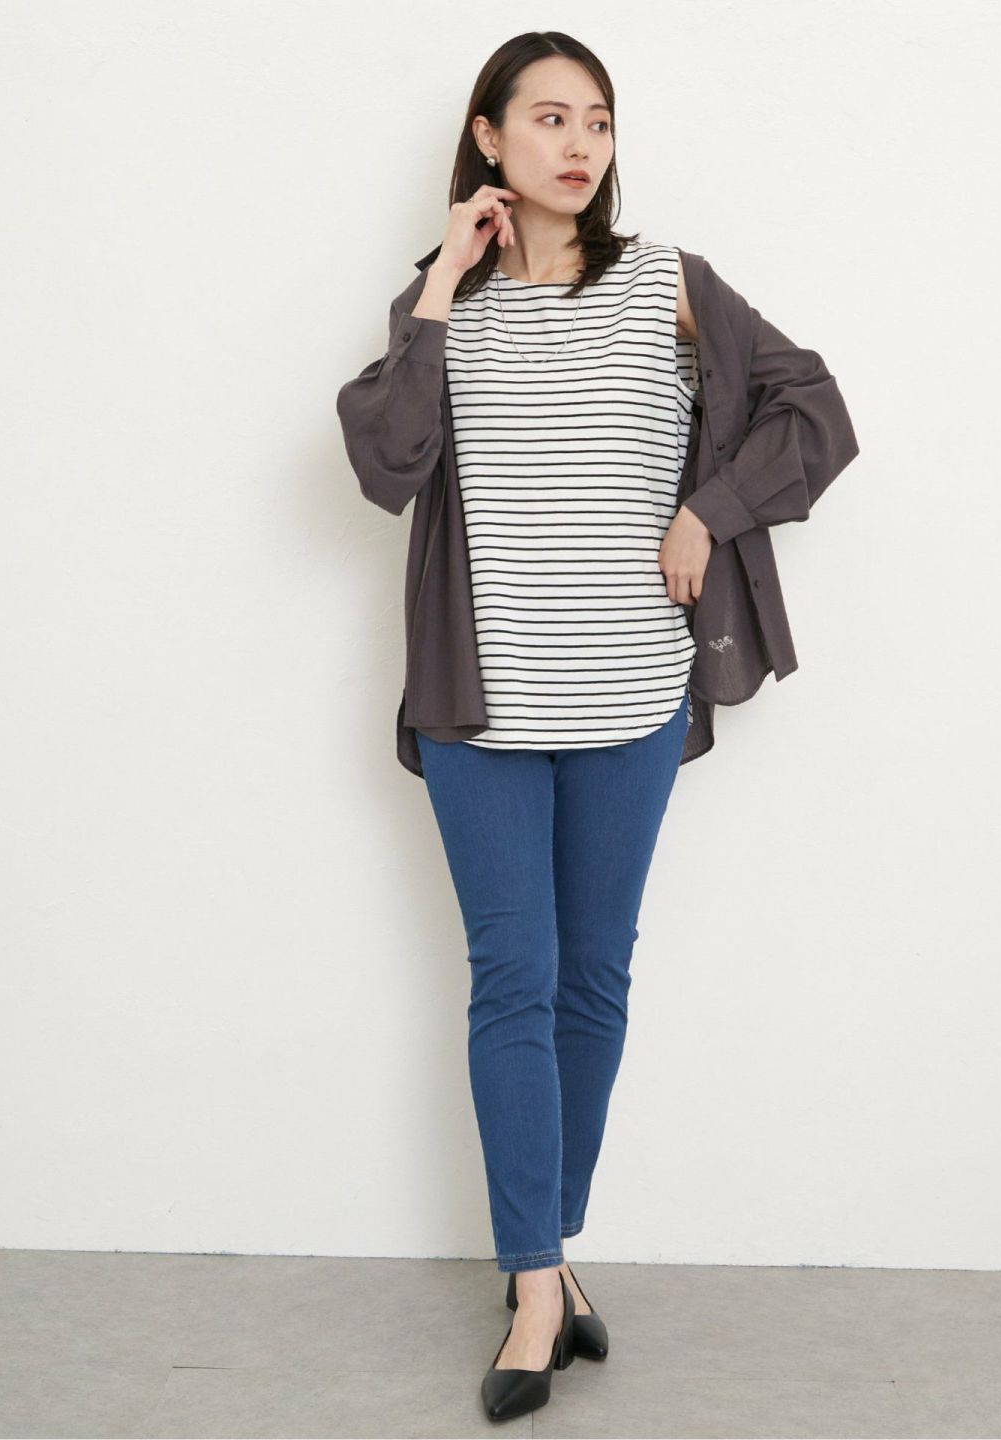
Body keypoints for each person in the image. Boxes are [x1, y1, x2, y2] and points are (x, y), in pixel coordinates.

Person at [337, 30, 859, 1423]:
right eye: (550, 118)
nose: (580, 146)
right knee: (511, 978)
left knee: (593, 981)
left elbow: (815, 408)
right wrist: (440, 286)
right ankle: (534, 1286)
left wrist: (710, 509)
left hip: (629, 697)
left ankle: (548, 1252)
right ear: (489, 137)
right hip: (483, 709)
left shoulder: (665, 284)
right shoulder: (441, 307)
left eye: (600, 122)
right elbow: (386, 462)